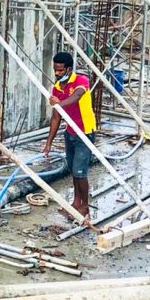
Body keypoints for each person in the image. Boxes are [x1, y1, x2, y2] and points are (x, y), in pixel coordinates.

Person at [41, 51, 97, 222]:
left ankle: (85, 208)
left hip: (84, 132)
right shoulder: (57, 88)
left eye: (60, 71)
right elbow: (56, 117)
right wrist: (49, 143)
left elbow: (76, 97)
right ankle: (76, 202)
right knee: (73, 170)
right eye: (55, 70)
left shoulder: (81, 81)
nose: (57, 74)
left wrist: (59, 104)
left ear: (68, 69)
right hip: (70, 132)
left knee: (80, 172)